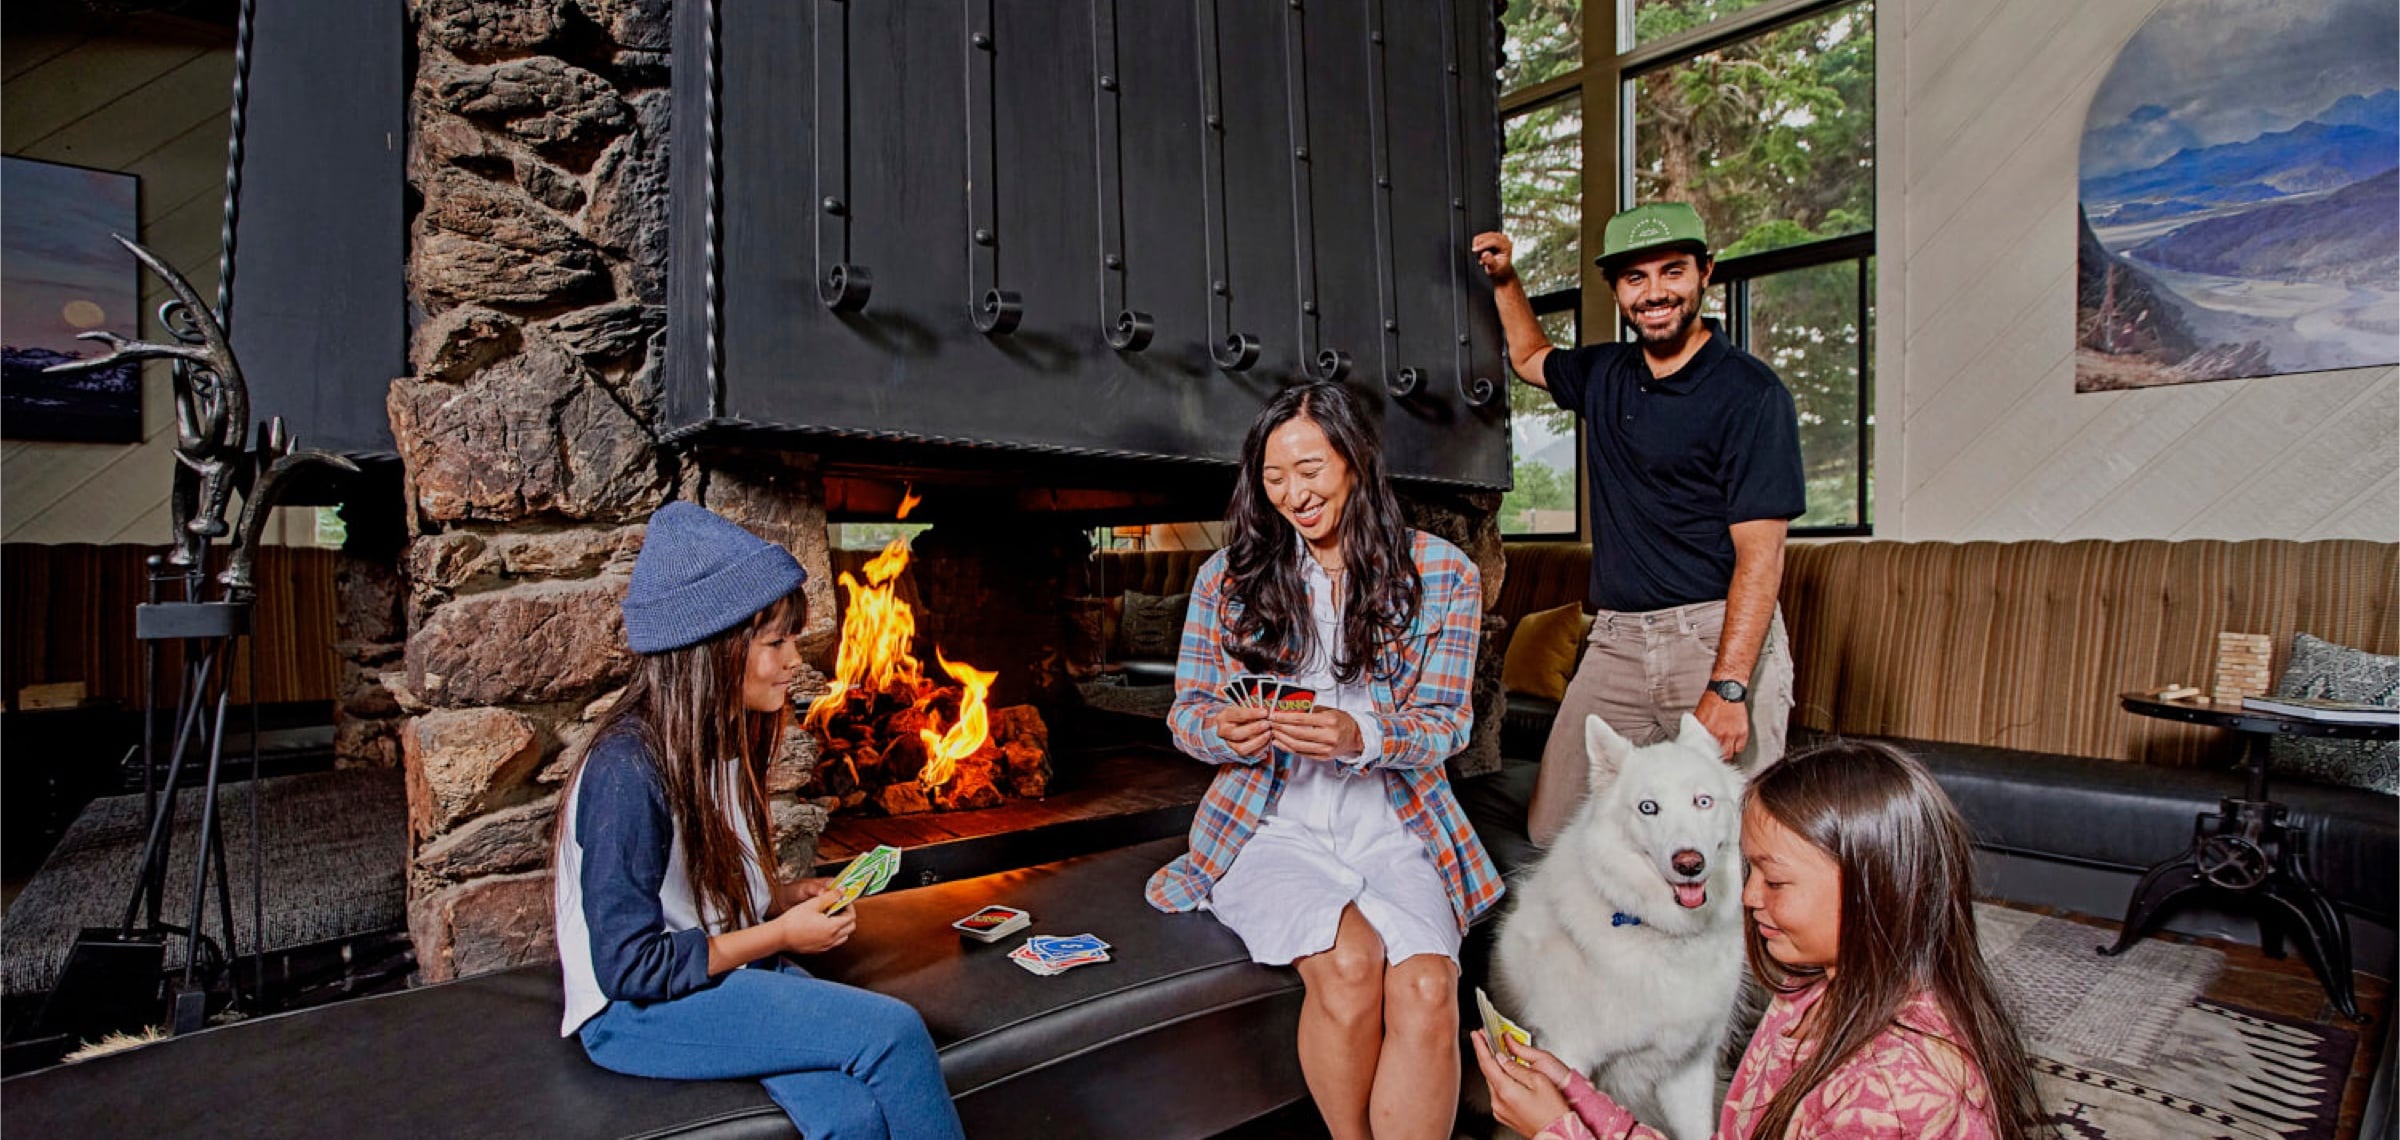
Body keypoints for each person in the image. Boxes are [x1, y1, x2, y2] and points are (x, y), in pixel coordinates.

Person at [1146, 381, 1499, 1140]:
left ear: (1355, 460)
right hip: (1267, 824)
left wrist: (1360, 737)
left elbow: (1446, 725)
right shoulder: (1228, 579)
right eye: (1274, 480)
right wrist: (1222, 733)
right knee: (1348, 961)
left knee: (1431, 985)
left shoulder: (1443, 574)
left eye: (1310, 470)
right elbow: (1188, 715)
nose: (1293, 496)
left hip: (1396, 820)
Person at [553, 500, 964, 1140]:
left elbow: (691, 894)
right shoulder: (627, 770)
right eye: (776, 642)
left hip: (711, 976)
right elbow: (630, 969)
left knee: (848, 1113)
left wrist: (779, 898)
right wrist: (779, 937)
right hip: (636, 1012)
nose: (795, 659)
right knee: (894, 1033)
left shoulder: (715, 739)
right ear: (712, 650)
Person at [1474, 739, 2049, 1140]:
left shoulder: (1893, 1096)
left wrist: (1558, 1131)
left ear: (1873, 892)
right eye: (1749, 871)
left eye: (1774, 880)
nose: (1748, 898)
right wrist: (1578, 1099)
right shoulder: (1811, 993)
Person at [1474, 204, 1807, 847]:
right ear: (1618, 291)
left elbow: (1760, 561)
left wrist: (1729, 687)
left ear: (1704, 274)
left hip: (1713, 636)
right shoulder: (1607, 375)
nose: (1655, 292)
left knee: (1739, 842)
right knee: (1556, 831)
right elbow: (1531, 356)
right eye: (1636, 278)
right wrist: (1506, 280)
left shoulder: (1751, 394)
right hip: (1618, 643)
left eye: (1672, 272)